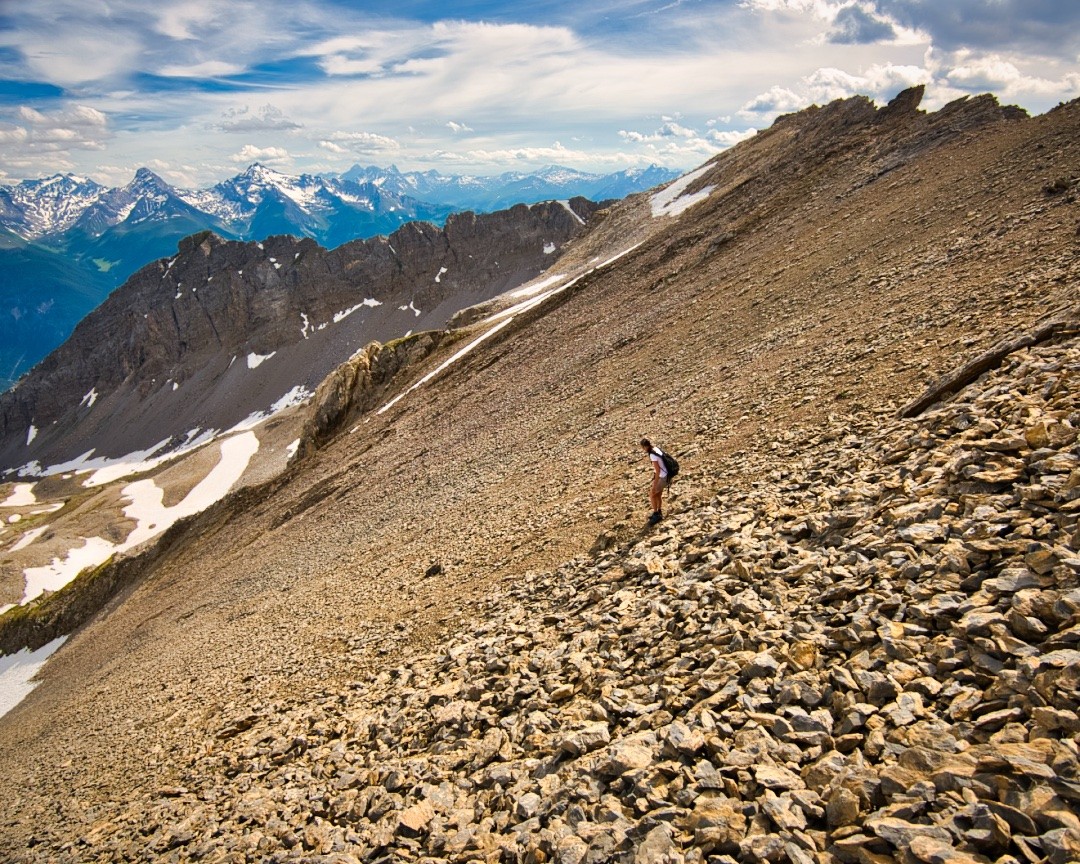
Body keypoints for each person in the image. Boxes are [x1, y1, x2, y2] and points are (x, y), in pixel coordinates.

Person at [640, 438, 669, 525]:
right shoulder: (655, 448)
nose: (643, 449)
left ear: (645, 446)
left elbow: (658, 470)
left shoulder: (652, 455)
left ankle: (656, 514)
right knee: (658, 494)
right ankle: (659, 511)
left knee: (652, 494)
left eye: (643, 447)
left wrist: (655, 482)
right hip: (666, 474)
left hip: (662, 476)